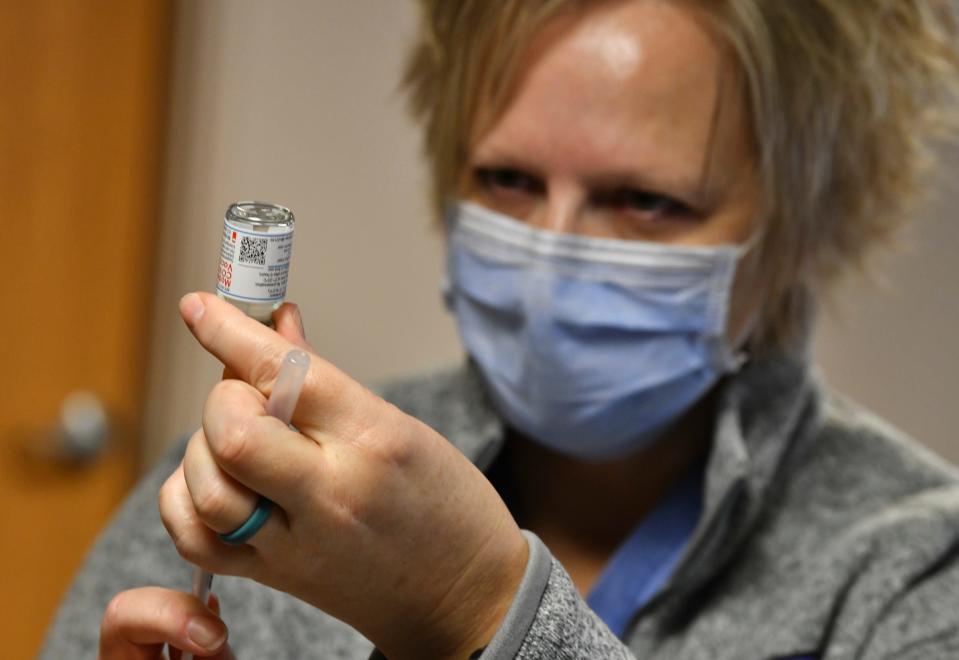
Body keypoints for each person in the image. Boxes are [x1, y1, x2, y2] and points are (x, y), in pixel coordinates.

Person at [43, 1, 959, 658]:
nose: (547, 262)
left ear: (800, 225)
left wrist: (475, 610)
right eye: (509, 183)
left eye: (644, 201)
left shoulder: (916, 574)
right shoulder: (236, 493)